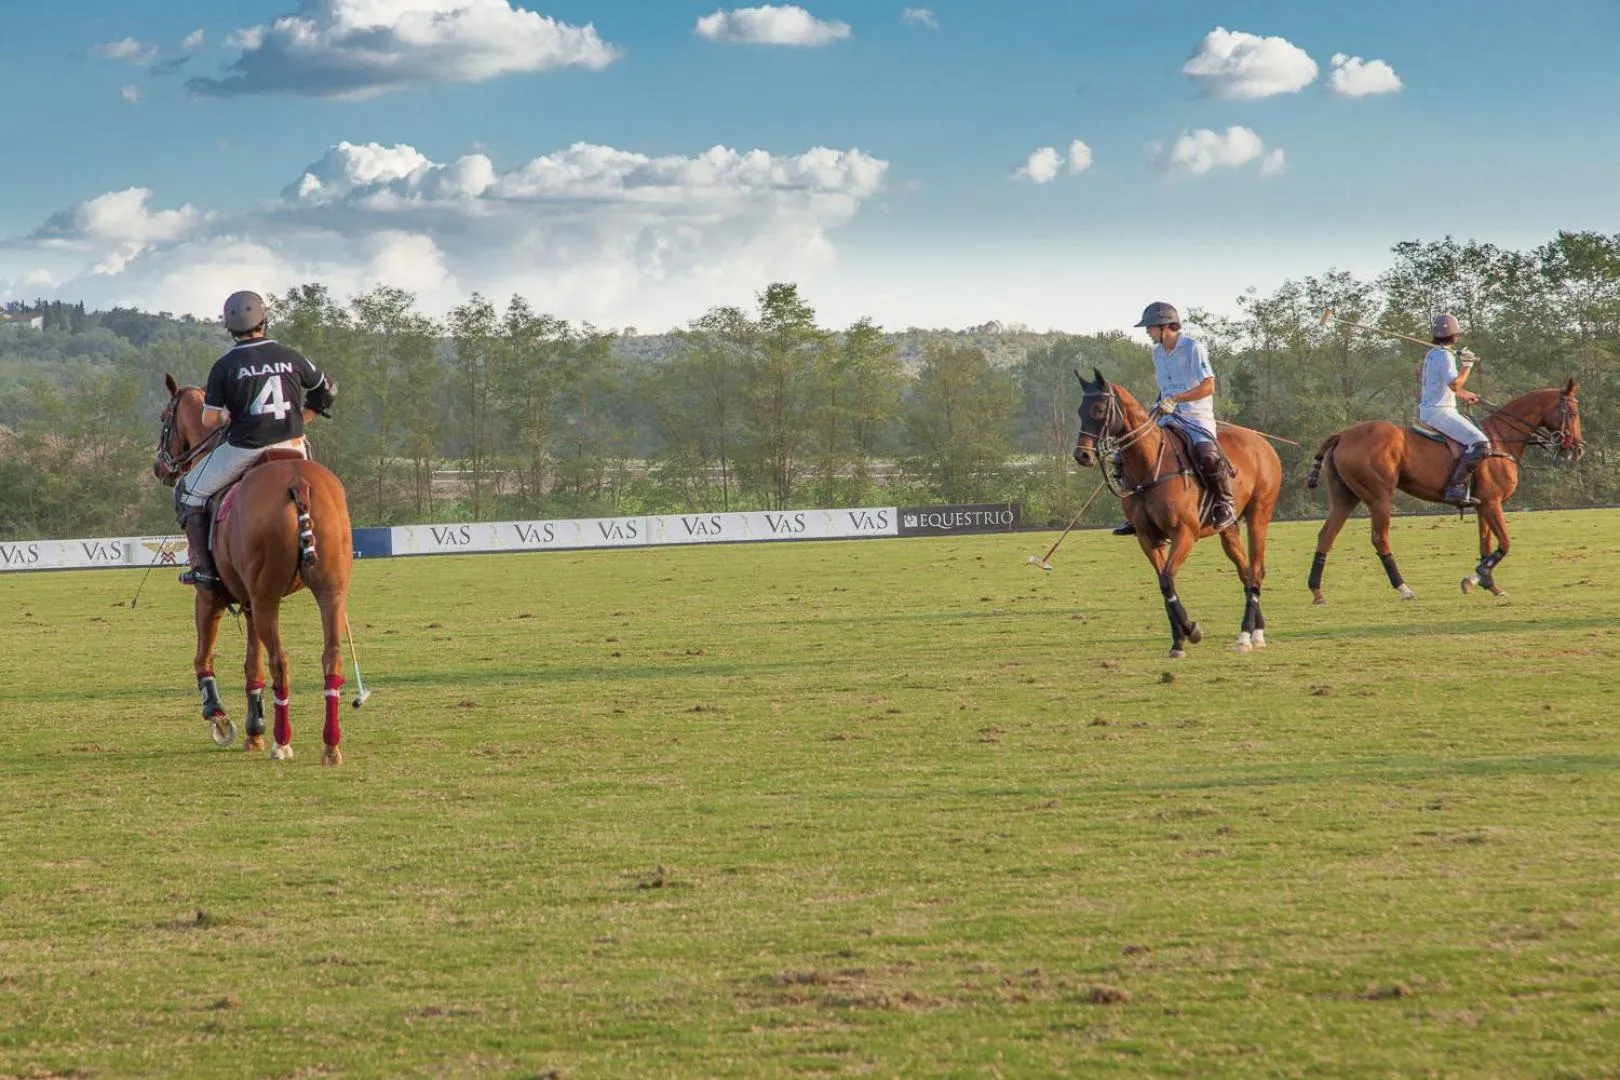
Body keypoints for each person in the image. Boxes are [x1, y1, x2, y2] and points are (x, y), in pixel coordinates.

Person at [175, 290, 336, 591]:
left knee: (187, 492)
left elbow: (208, 421)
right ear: (265, 319)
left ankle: (205, 571)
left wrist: (226, 417)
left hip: (246, 449)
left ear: (229, 327)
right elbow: (327, 390)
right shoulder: (291, 356)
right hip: (293, 447)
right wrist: (302, 418)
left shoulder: (225, 366)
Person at [1111, 301, 1237, 533]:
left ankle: (1225, 504)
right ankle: (1136, 513)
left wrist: (1176, 399)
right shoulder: (1157, 353)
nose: (1148, 332)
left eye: (1150, 328)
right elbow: (1166, 387)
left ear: (1165, 326)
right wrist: (1159, 403)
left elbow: (1209, 387)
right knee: (1124, 454)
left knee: (1207, 456)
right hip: (1167, 416)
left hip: (1195, 416)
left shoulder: (1192, 347)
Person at [1418, 312, 1489, 507]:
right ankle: (1456, 488)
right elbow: (1455, 384)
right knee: (1480, 442)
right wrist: (1467, 365)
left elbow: (1446, 387)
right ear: (1455, 336)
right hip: (1440, 412)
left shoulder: (1432, 354)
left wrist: (1467, 395)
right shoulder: (1444, 356)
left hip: (1433, 408)